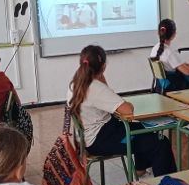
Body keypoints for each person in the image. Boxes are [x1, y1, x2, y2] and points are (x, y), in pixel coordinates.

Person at [68, 45, 176, 177]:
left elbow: (110, 101)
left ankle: (140, 169)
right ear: (103, 67)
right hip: (100, 140)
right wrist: (103, 81)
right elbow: (127, 110)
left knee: (141, 127)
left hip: (89, 138)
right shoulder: (95, 87)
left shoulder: (75, 84)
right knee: (160, 143)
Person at [150, 19, 189, 91]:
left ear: (158, 32)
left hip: (161, 86)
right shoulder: (170, 52)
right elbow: (187, 72)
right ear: (174, 34)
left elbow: (174, 65)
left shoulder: (154, 48)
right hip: (173, 86)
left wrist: (186, 65)